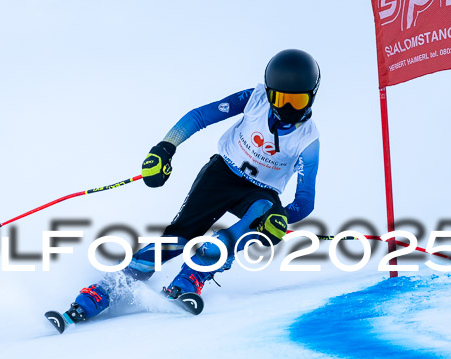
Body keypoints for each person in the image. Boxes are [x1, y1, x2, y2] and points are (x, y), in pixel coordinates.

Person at [60, 49, 321, 325]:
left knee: (264, 212)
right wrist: (165, 147)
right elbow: (199, 117)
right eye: (281, 99)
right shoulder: (254, 99)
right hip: (222, 174)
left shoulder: (308, 140)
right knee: (179, 238)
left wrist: (280, 217)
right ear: (269, 93)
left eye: (297, 101)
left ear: (311, 96)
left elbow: (304, 202)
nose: (287, 109)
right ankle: (106, 288)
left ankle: (192, 276)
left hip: (260, 192)